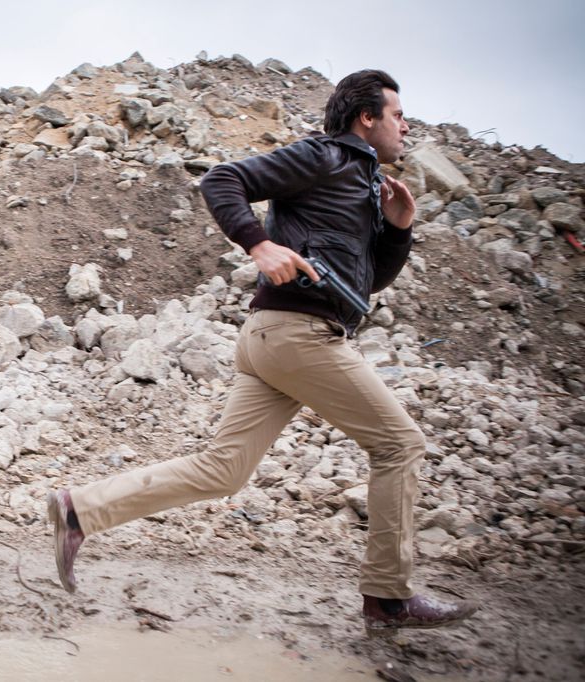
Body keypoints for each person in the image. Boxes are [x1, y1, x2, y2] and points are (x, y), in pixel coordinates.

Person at [46, 70, 479, 636]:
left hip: (274, 338)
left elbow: (368, 283)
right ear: (366, 118)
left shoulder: (365, 184)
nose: (406, 125)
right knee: (400, 444)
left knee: (223, 469)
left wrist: (398, 228)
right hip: (299, 334)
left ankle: (79, 509)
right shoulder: (327, 156)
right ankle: (388, 599)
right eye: (397, 114)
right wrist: (260, 244)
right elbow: (222, 180)